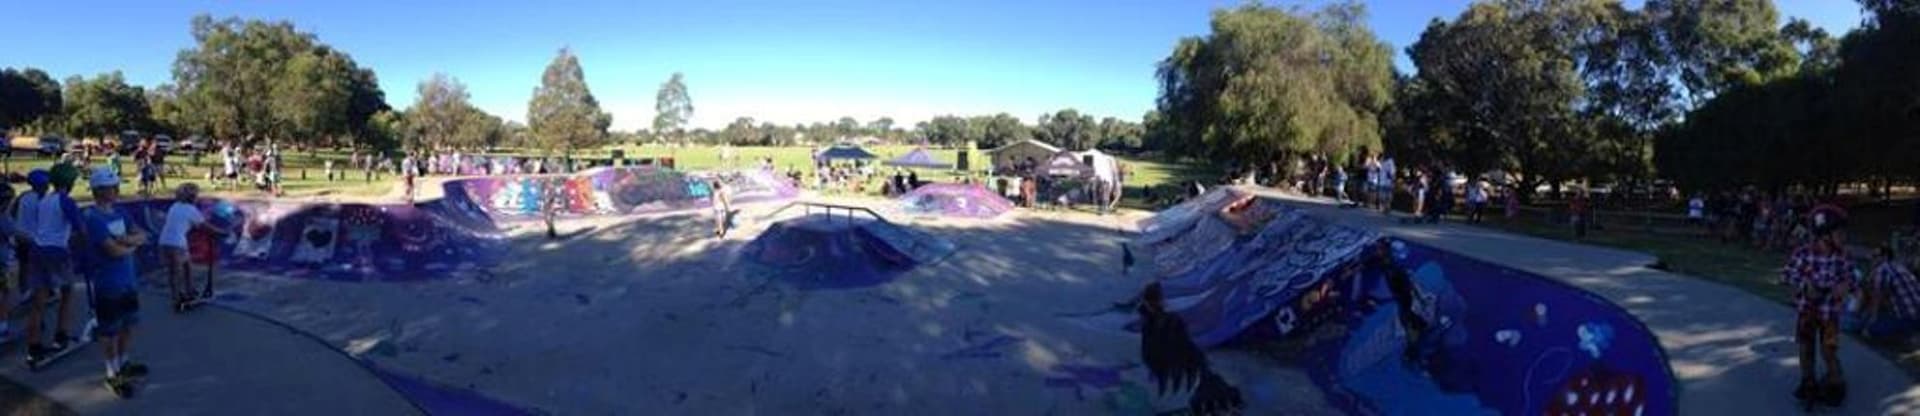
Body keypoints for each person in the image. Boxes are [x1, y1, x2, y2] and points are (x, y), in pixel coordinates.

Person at [80, 167, 150, 392]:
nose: (117, 190)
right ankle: (111, 372)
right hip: (107, 283)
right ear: (99, 191)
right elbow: (113, 252)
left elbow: (143, 234)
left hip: (127, 280)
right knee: (109, 331)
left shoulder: (120, 213)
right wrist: (131, 244)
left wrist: (125, 241)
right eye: (112, 187)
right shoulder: (93, 218)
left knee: (127, 325)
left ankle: (123, 363)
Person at [1782, 205, 1854, 403]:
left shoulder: (1843, 256)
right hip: (1808, 311)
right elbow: (1788, 276)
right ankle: (1808, 381)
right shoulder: (1803, 253)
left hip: (1830, 313)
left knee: (1828, 349)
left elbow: (1850, 278)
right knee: (1806, 347)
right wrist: (1804, 286)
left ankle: (1835, 381)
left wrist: (1845, 286)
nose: (1844, 236)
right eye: (1839, 233)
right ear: (1824, 235)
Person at [25, 164, 85, 363]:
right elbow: (81, 229)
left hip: (38, 249)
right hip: (57, 251)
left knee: (38, 301)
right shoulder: (66, 201)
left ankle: (33, 347)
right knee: (68, 292)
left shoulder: (44, 199)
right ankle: (61, 334)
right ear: (70, 182)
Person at [158, 183, 224, 310]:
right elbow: (205, 226)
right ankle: (177, 298)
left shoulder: (174, 206)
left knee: (184, 266)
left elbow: (179, 222)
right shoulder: (191, 210)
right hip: (177, 243)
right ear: (193, 197)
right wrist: (222, 232)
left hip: (164, 241)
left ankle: (188, 290)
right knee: (178, 271)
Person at [1862, 246, 1920, 339]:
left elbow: (1877, 297)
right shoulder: (1901, 267)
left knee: (1868, 328)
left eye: (1875, 256)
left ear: (1885, 257)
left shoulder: (1882, 269)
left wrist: (1872, 320)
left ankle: (1905, 336)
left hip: (1908, 319)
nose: (1872, 259)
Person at [0, 185, 22, 342]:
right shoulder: (3, 218)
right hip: (3, 261)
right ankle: (3, 327)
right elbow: (16, 233)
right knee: (5, 294)